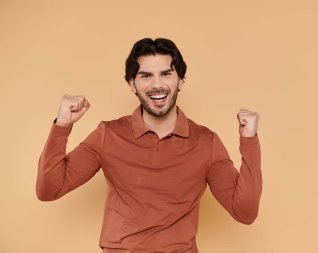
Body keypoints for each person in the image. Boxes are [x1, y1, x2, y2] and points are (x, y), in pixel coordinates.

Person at [36, 38, 262, 253]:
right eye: (146, 76)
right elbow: (49, 190)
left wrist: (249, 139)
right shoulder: (108, 134)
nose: (157, 85)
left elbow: (245, 212)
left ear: (180, 80)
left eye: (166, 74)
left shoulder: (206, 141)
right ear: (132, 84)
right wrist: (62, 126)